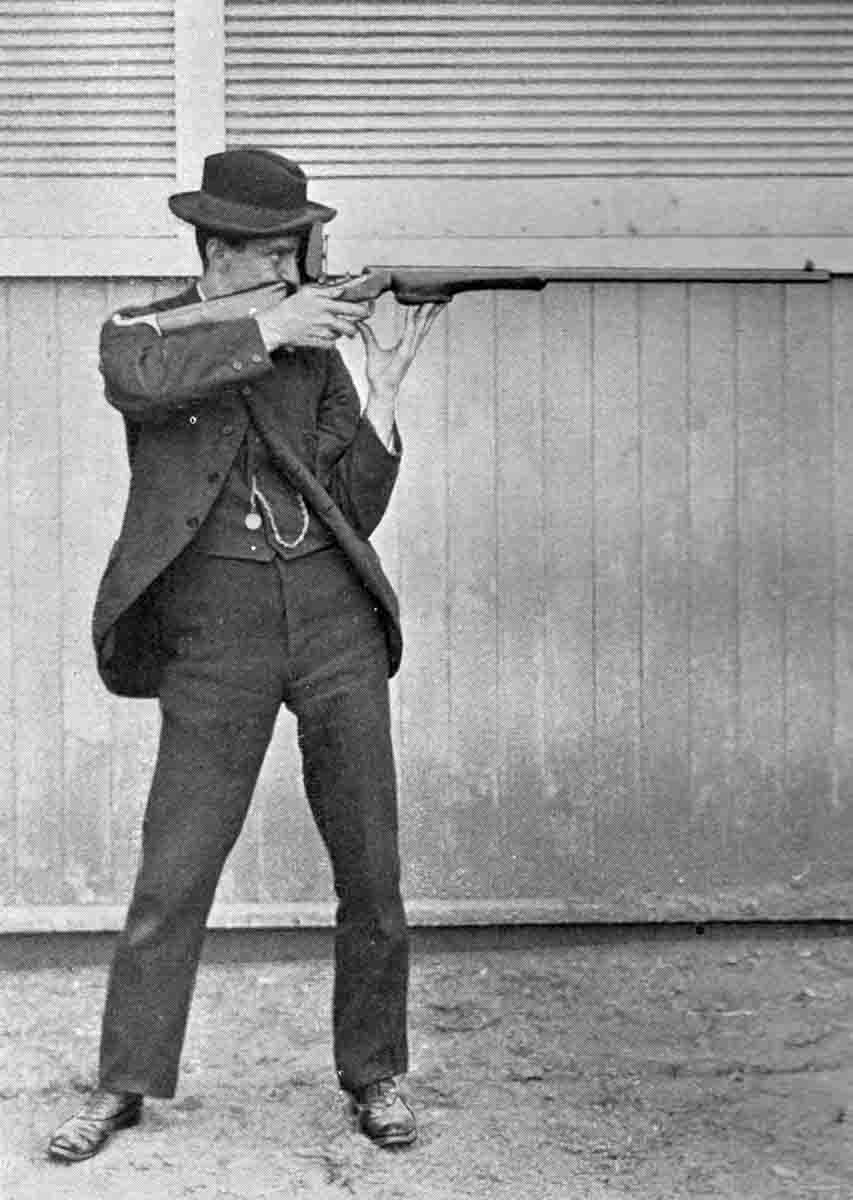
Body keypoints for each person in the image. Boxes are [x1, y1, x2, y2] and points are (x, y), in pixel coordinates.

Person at [48, 147, 442, 1163]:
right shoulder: (145, 333)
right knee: (173, 871)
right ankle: (125, 1083)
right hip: (214, 632)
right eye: (277, 256)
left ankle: (376, 1073)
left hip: (331, 620)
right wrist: (267, 327)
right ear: (218, 252)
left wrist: (383, 392)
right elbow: (137, 376)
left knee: (371, 864)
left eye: (298, 254)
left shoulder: (311, 355)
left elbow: (349, 505)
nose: (298, 271)